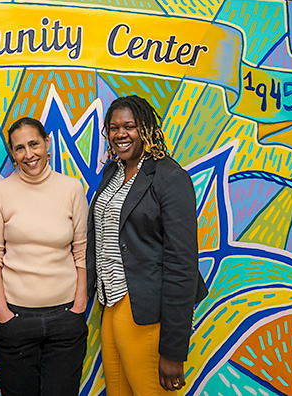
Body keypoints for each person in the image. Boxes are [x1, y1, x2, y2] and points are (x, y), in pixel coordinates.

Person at [87, 95, 208, 394]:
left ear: (148, 129)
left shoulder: (170, 177)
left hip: (144, 308)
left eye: (129, 126)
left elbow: (182, 265)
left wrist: (173, 350)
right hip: (110, 302)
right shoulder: (112, 173)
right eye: (113, 127)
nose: (120, 134)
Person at [0, 117, 89, 396]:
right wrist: (2, 313)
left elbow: (81, 250)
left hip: (66, 319)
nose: (28, 155)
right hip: (16, 320)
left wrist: (79, 304)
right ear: (12, 154)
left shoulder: (72, 189)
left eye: (33, 144)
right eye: (19, 148)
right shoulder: (0, 192)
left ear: (47, 144)